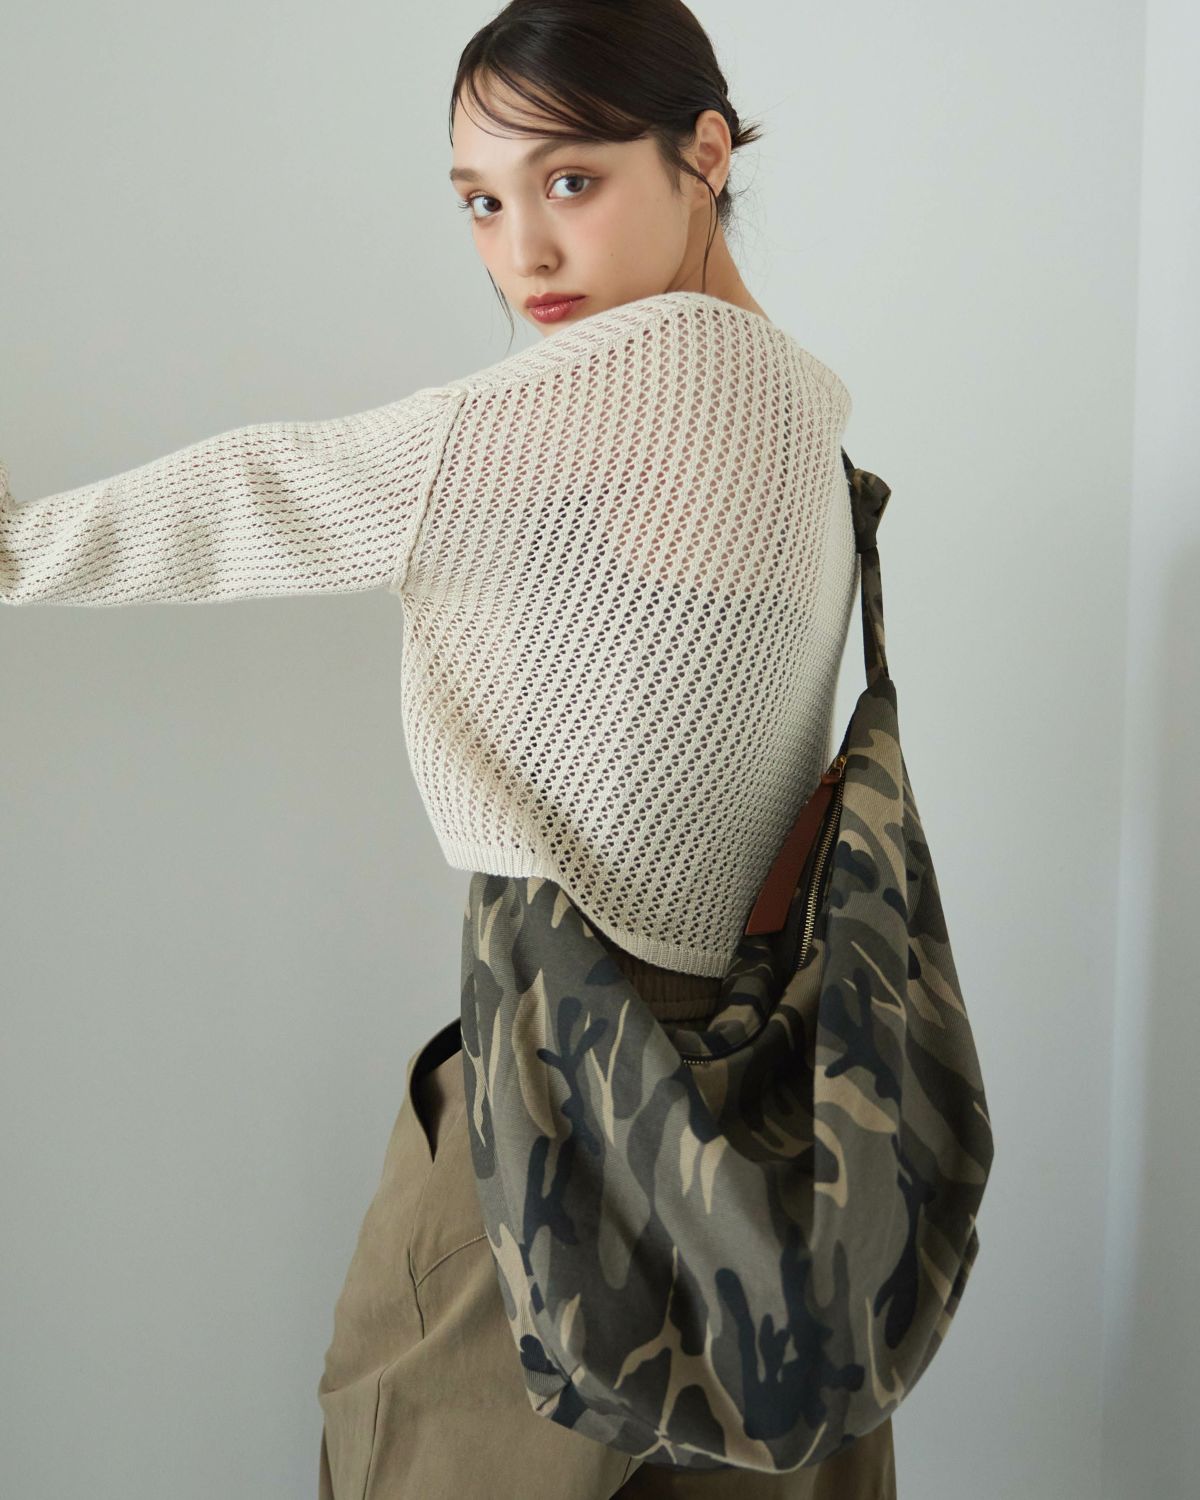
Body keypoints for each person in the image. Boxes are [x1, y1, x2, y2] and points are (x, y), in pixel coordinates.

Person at [2, 1, 895, 1495]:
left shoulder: (616, 386)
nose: (521, 253)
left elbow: (282, 490)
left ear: (706, 154)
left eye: (570, 181)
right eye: (481, 202)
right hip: (770, 1133)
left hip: (566, 1112)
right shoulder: (806, 407)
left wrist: (19, 546)